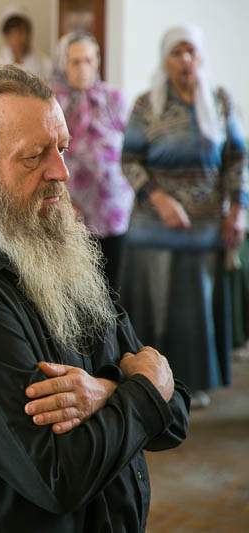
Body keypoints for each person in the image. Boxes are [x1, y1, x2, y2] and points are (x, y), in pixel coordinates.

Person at [0, 66, 190, 531]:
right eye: (35, 156)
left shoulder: (55, 246)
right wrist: (141, 391)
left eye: (62, 148)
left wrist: (110, 392)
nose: (61, 172)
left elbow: (173, 415)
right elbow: (58, 477)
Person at [120, 25, 247, 409]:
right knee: (156, 311)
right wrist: (159, 198)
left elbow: (237, 158)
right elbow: (129, 159)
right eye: (176, 52)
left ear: (200, 56)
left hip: (206, 231)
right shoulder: (147, 104)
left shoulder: (220, 101)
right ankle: (149, 387)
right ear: (165, 60)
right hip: (153, 230)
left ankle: (191, 385)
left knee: (197, 313)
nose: (185, 60)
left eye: (190, 51)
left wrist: (238, 208)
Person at [51, 32, 132, 291]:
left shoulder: (113, 98)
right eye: (75, 62)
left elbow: (132, 150)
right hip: (68, 212)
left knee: (111, 287)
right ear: (63, 64)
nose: (83, 68)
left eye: (88, 60)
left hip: (111, 211)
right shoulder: (52, 101)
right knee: (74, 287)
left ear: (97, 62)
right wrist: (63, 200)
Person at [0, 6, 51, 80]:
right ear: (5, 37)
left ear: (29, 33)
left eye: (21, 32)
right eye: (12, 33)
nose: (17, 38)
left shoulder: (47, 66)